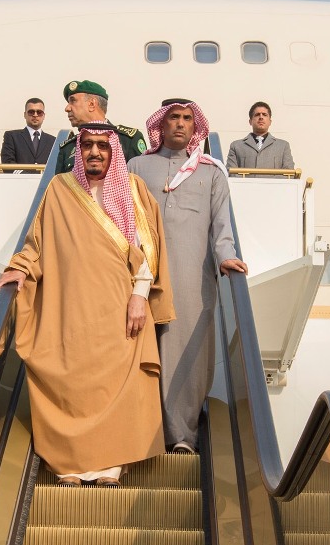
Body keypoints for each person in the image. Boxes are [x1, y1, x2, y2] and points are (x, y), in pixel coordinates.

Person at [0, 124, 175, 487]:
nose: (95, 152)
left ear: (113, 152)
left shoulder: (132, 189)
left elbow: (148, 249)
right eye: (88, 145)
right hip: (71, 306)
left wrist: (140, 297)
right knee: (73, 382)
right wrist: (19, 268)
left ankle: (111, 468)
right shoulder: (60, 189)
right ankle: (71, 467)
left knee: (114, 386)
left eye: (102, 146)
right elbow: (37, 242)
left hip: (120, 306)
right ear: (79, 152)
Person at [128, 98, 248, 454]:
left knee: (187, 354)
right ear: (160, 126)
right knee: (138, 348)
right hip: (139, 277)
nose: (179, 124)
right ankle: (138, 433)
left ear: (196, 128)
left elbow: (221, 225)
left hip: (191, 275)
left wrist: (226, 257)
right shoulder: (136, 166)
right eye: (172, 119)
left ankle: (181, 437)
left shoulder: (211, 171)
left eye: (186, 119)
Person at [54, 80, 147, 172]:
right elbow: (59, 185)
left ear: (92, 104)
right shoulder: (68, 147)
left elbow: (139, 182)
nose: (67, 108)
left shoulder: (128, 140)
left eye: (73, 101)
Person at [226, 102, 295, 171]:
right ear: (250, 121)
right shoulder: (236, 146)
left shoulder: (283, 146)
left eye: (264, 115)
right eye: (257, 115)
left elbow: (289, 173)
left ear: (270, 121)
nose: (261, 117)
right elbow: (231, 173)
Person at [0, 98, 55, 172]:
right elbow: (7, 162)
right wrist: (26, 177)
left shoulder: (53, 141)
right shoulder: (12, 136)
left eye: (39, 112)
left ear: (44, 116)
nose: (35, 115)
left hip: (45, 183)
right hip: (19, 181)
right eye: (31, 112)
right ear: (25, 115)